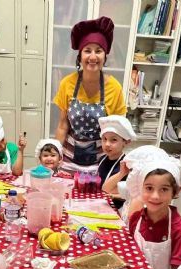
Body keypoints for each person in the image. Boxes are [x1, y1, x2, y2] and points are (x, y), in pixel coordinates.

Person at [54, 16, 127, 174]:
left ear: (105, 56)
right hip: (68, 159)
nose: (93, 57)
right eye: (87, 51)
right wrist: (55, 154)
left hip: (101, 160)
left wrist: (115, 164)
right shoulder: (67, 83)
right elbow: (62, 125)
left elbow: (118, 131)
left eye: (98, 51)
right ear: (80, 56)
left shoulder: (114, 88)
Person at [126, 153, 181, 269]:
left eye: (164, 189)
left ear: (176, 191)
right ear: (141, 188)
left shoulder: (179, 230)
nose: (155, 196)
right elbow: (130, 253)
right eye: (149, 188)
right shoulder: (136, 219)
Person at [97, 115, 135, 208]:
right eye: (104, 139)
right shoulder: (102, 159)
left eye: (113, 140)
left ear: (126, 142)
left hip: (118, 209)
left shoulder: (127, 165)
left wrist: (113, 195)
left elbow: (131, 194)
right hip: (101, 204)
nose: (107, 144)